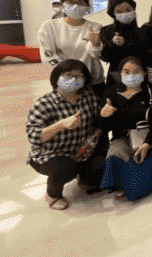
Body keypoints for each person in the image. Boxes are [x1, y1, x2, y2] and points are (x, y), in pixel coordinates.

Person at [26, 60, 106, 210]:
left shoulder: (88, 97)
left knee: (100, 161)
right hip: (51, 154)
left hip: (81, 151)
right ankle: (53, 194)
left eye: (78, 76)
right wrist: (60, 125)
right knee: (65, 167)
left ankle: (85, 179)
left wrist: (92, 139)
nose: (73, 80)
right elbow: (33, 136)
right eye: (68, 75)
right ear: (56, 77)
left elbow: (98, 121)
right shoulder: (44, 103)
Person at [97, 56, 152, 200]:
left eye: (136, 71)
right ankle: (127, 174)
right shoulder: (111, 93)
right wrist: (104, 115)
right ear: (120, 73)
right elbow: (104, 127)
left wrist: (147, 144)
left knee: (134, 192)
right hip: (122, 139)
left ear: (145, 73)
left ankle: (138, 173)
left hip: (149, 139)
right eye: (126, 71)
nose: (131, 75)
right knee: (116, 161)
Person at [38, 0, 105, 97]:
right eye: (71, 3)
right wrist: (71, 75)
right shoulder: (49, 26)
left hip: (92, 81)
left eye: (81, 3)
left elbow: (94, 54)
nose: (76, 7)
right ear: (62, 5)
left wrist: (94, 43)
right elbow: (48, 56)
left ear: (88, 7)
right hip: (65, 81)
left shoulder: (95, 27)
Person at [99, 0, 141, 89]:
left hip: (138, 75)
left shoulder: (141, 31)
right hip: (116, 76)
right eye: (119, 12)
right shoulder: (107, 31)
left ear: (133, 10)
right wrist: (112, 44)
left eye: (127, 10)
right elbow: (104, 57)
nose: (124, 14)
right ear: (113, 14)